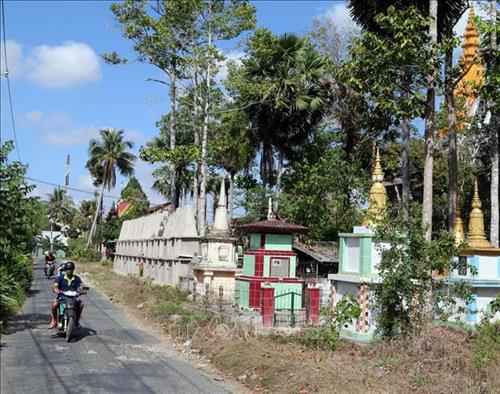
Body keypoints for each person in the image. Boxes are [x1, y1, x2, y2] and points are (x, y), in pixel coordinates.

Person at [49, 261, 85, 330]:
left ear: (73, 270)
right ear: (65, 270)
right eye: (67, 269)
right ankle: (54, 320)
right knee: (54, 304)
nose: (69, 271)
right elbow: (55, 285)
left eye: (70, 269)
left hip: (73, 298)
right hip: (62, 297)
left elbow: (80, 286)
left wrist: (81, 290)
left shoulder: (77, 278)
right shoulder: (60, 278)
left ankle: (77, 321)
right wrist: (56, 289)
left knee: (81, 304)